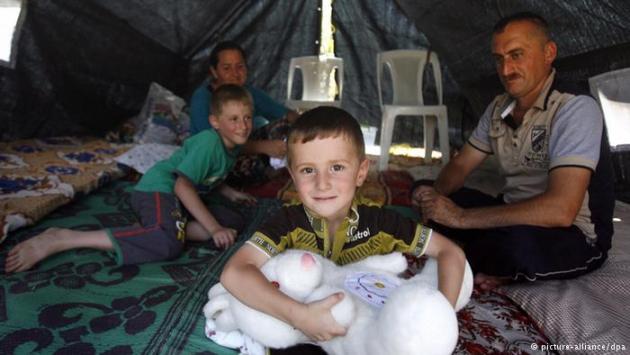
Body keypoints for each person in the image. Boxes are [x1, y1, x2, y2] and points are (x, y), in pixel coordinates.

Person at [220, 106, 466, 353]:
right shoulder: (287, 222)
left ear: (360, 173)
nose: (322, 183)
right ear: (293, 178)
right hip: (306, 329)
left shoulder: (382, 224)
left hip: (366, 333)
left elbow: (450, 252)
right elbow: (234, 272)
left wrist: (440, 319)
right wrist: (300, 316)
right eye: (308, 170)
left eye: (336, 167)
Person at [412, 12, 615, 290]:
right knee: (423, 190)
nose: (506, 70)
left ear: (549, 52)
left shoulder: (575, 108)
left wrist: (459, 218)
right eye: (499, 59)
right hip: (509, 214)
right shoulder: (499, 107)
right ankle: (482, 248)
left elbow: (561, 210)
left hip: (573, 233)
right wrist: (436, 199)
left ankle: (483, 251)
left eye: (517, 55)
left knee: (513, 246)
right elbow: (461, 167)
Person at [5, 84, 257, 273]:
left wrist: (231, 194)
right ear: (215, 121)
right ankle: (63, 238)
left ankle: (170, 227)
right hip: (160, 189)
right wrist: (213, 228)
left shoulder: (230, 145)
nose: (243, 125)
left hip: (182, 199)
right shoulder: (209, 143)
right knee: (167, 243)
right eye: (233, 119)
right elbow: (182, 185)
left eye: (246, 118)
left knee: (233, 219)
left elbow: (210, 174)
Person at [189, 41, 299, 185]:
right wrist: (264, 146)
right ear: (214, 72)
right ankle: (273, 171)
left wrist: (312, 131)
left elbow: (286, 115)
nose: (235, 74)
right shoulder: (203, 98)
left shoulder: (248, 92)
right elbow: (214, 145)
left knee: (284, 125)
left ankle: (279, 164)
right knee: (248, 167)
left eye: (240, 67)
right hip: (215, 154)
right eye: (226, 68)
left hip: (244, 144)